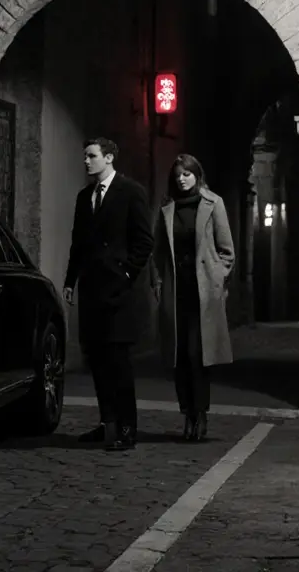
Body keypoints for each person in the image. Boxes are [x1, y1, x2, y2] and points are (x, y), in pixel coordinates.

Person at [62, 137, 155, 452]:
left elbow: (144, 241)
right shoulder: (84, 197)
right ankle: (107, 424)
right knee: (98, 360)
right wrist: (70, 280)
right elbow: (78, 243)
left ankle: (127, 428)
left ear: (109, 158)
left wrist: (127, 273)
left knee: (118, 361)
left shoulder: (131, 192)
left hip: (118, 292)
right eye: (85, 156)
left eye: (91, 156)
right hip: (91, 290)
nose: (86, 161)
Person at [150, 154, 236, 442]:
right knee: (179, 358)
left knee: (198, 356)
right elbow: (158, 250)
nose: (181, 179)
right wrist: (158, 282)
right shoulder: (167, 208)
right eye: (177, 175)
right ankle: (186, 412)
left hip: (204, 294)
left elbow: (227, 250)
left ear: (197, 175)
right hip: (177, 292)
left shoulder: (213, 204)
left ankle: (200, 414)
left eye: (187, 174)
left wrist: (217, 277)